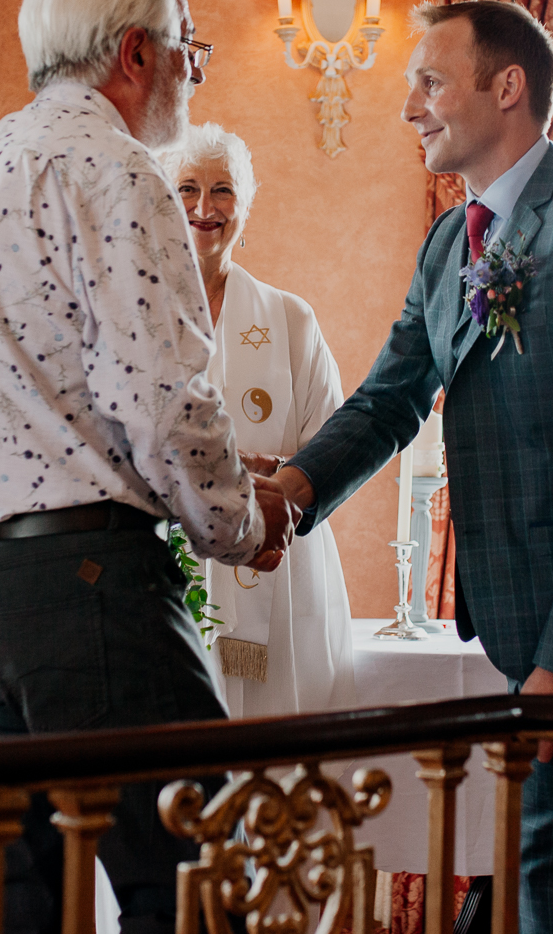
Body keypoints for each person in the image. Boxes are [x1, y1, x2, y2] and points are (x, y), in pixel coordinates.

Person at [265, 0, 553, 934]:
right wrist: (289, 498)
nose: (408, 106)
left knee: (550, 866)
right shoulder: (447, 242)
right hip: (522, 616)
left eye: (429, 80)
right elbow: (391, 396)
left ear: (508, 88)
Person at [0, 0, 296, 934]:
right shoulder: (116, 170)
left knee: (16, 904)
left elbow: (16, 389)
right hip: (81, 584)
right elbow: (161, 396)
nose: (194, 71)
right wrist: (240, 522)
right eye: (189, 45)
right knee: (200, 876)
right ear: (136, 51)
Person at [157, 122, 355, 717]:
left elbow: (331, 445)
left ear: (246, 204)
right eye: (187, 187)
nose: (203, 207)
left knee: (277, 762)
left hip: (278, 566)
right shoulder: (141, 312)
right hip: (168, 561)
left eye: (223, 190)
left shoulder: (291, 319)